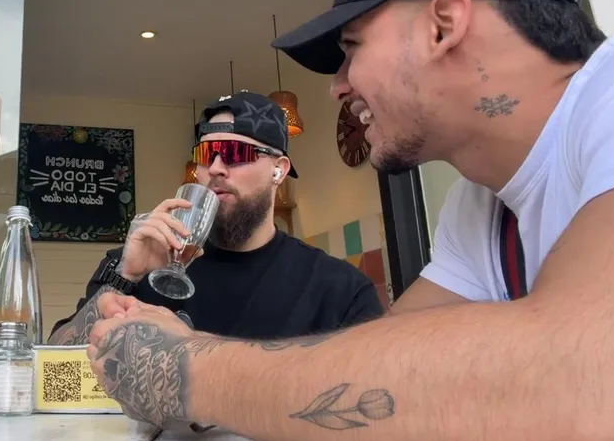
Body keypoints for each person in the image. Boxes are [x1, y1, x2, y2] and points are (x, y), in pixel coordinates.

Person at [82, 0, 614, 441]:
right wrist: (169, 340)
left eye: (351, 48)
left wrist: (191, 370)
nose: (338, 87)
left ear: (443, 25)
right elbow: (381, 373)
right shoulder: (480, 207)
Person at [50, 91, 383, 346]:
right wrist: (127, 276)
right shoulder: (143, 259)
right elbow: (58, 359)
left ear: (278, 170)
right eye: (206, 154)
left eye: (236, 153)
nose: (216, 168)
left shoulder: (336, 289)